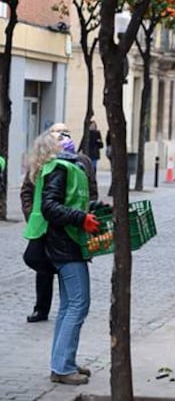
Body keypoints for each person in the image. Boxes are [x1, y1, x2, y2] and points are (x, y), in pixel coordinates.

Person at [23, 128, 105, 385]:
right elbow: (50, 206)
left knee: (69, 305)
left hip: (67, 243)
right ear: (51, 148)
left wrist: (94, 210)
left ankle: (64, 361)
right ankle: (62, 367)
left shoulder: (69, 167)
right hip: (65, 245)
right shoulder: (59, 168)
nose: (66, 140)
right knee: (78, 304)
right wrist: (81, 218)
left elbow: (70, 202)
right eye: (60, 137)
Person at [21, 123, 98, 323]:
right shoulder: (46, 163)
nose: (62, 136)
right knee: (73, 301)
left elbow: (89, 191)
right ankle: (42, 308)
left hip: (71, 230)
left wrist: (91, 211)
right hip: (51, 230)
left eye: (65, 132)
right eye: (57, 132)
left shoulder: (82, 162)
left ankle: (62, 355)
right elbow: (34, 197)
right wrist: (34, 218)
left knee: (71, 301)